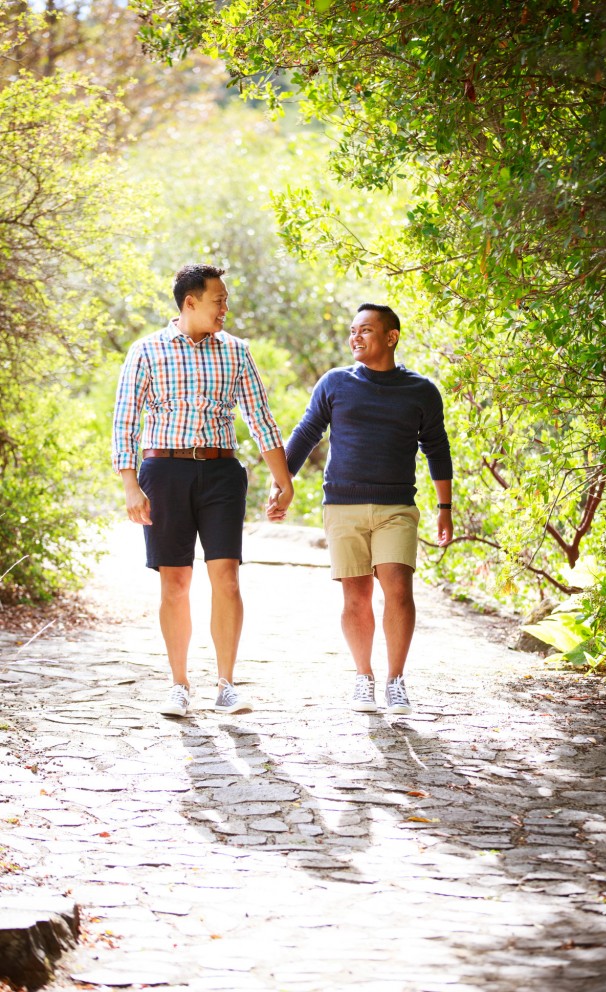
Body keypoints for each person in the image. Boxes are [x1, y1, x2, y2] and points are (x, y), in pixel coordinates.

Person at [112, 264, 293, 718]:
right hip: (163, 472)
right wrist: (130, 484)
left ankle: (227, 684)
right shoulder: (147, 351)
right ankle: (178, 684)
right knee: (175, 582)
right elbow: (125, 421)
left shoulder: (236, 351)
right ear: (189, 302)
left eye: (226, 301)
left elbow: (260, 420)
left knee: (227, 578)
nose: (225, 309)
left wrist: (283, 480)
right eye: (219, 301)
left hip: (220, 473)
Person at [272, 302, 453, 715]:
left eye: (365, 330)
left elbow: (437, 449)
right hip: (343, 505)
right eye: (352, 331)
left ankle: (396, 680)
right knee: (356, 597)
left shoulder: (421, 391)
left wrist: (445, 506)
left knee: (398, 590)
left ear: (391, 337)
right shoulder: (335, 383)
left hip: (396, 507)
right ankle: (362, 677)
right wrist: (283, 483)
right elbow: (306, 433)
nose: (355, 337)